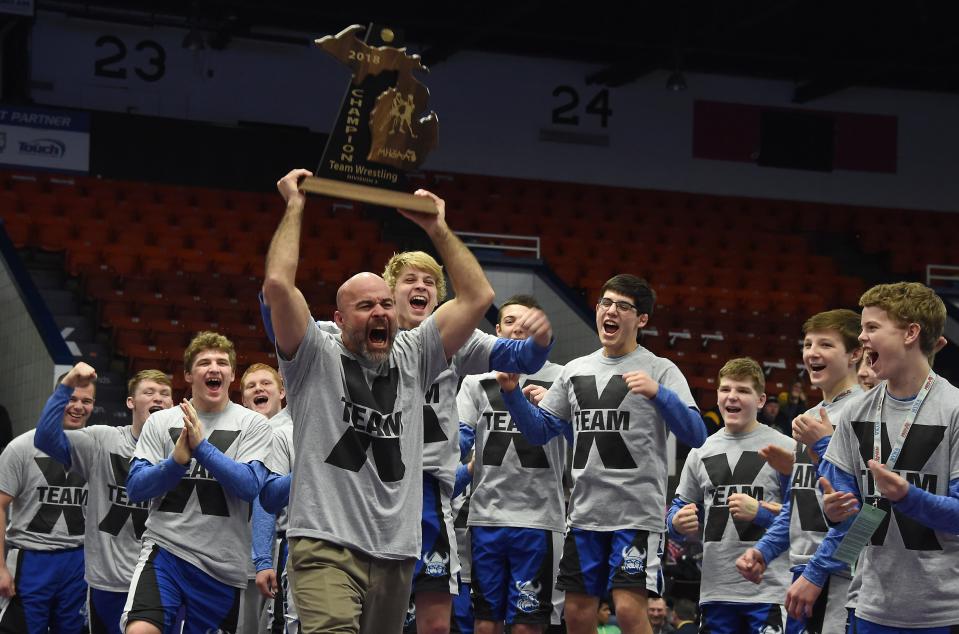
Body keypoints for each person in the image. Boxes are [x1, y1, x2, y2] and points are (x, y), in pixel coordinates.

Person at [261, 168, 498, 634]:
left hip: (395, 550)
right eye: (366, 306)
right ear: (336, 317)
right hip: (325, 543)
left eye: (386, 304)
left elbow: (478, 295)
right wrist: (294, 206)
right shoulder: (312, 352)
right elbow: (277, 287)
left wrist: (437, 229)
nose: (381, 313)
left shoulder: (413, 353)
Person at [500, 274, 707, 634]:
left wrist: (659, 394)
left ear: (641, 319)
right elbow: (538, 431)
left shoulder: (660, 369)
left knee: (628, 610)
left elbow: (696, 433)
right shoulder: (575, 369)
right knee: (577, 614)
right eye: (605, 303)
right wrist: (511, 394)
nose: (610, 311)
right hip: (584, 515)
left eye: (622, 306)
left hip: (636, 516)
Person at [786, 282, 959, 632]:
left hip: (943, 609)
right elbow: (856, 521)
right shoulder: (856, 412)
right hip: (869, 605)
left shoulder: (954, 409)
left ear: (911, 333)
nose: (862, 337)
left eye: (872, 328)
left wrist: (909, 497)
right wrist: (836, 513)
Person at [122, 331, 273, 634]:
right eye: (204, 363)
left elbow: (250, 487)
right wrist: (176, 462)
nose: (214, 368)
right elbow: (136, 487)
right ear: (189, 375)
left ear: (232, 374)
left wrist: (201, 448)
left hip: (223, 565)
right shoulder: (161, 421)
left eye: (221, 362)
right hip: (165, 550)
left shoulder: (253, 424)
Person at [735, 309, 863, 634]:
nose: (812, 353)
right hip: (802, 570)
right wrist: (764, 550)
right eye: (807, 344)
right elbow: (797, 505)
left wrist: (820, 572)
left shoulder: (864, 413)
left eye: (826, 344)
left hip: (841, 577)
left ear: (855, 353)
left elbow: (870, 512)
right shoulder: (809, 416)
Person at [33, 364, 174, 634]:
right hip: (108, 583)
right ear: (130, 402)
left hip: (159, 582)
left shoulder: (183, 448)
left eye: (164, 393)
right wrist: (69, 383)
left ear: (173, 403)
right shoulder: (103, 440)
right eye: (149, 392)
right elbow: (46, 438)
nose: (158, 397)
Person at [457, 295, 566, 634]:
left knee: (526, 625)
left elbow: (583, 443)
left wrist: (556, 412)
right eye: (510, 321)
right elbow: (457, 442)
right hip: (486, 516)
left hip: (539, 518)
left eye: (527, 321)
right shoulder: (476, 381)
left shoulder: (563, 378)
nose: (518, 326)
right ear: (498, 329)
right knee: (485, 623)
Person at [668, 358, 794, 634]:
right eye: (725, 389)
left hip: (769, 592)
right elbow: (677, 513)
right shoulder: (701, 451)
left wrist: (760, 512)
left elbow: (804, 520)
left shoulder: (786, 449)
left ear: (760, 400)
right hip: (716, 591)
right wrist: (676, 523)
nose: (732, 397)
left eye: (743, 391)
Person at [0, 372, 93, 633]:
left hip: (78, 561)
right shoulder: (21, 447)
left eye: (86, 401)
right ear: (57, 397)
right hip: (31, 560)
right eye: (72, 398)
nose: (78, 407)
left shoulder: (97, 448)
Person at [240, 363, 293, 634]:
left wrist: (263, 559)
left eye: (266, 383)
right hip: (237, 555)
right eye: (251, 386)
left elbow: (266, 500)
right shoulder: (238, 433)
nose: (259, 388)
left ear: (282, 391)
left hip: (278, 552)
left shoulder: (292, 430)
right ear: (243, 399)